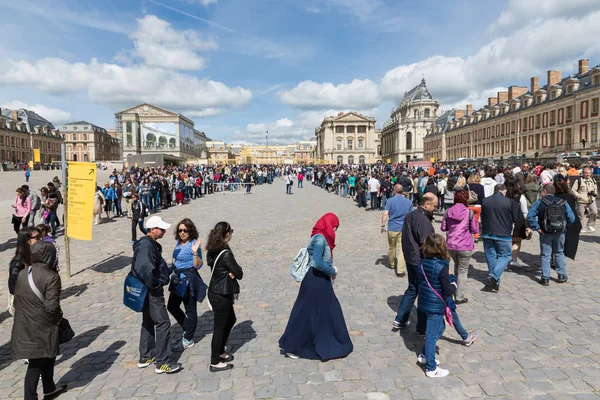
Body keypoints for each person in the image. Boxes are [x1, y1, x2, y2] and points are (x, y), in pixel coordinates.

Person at [279, 213, 353, 361]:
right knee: (306, 313)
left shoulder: (320, 236)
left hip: (319, 281)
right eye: (334, 227)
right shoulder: (320, 239)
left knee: (325, 311)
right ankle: (292, 346)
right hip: (315, 281)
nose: (335, 231)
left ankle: (322, 339)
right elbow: (317, 263)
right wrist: (333, 271)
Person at [11, 240, 67, 400]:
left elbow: (17, 300)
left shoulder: (23, 273)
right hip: (43, 325)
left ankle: (49, 388)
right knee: (36, 364)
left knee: (49, 355)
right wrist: (59, 320)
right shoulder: (51, 277)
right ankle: (30, 397)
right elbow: (52, 308)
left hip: (25, 322)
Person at [131, 216, 182, 374]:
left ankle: (146, 355)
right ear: (152, 230)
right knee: (163, 323)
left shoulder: (148, 244)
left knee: (148, 321)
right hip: (151, 291)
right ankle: (163, 361)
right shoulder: (146, 245)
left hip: (147, 290)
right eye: (161, 228)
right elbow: (145, 269)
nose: (164, 231)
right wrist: (156, 284)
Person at [392, 193, 437, 333]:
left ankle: (400, 319)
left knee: (412, 288)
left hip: (411, 258)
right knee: (423, 292)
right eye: (434, 206)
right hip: (420, 260)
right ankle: (421, 327)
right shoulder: (422, 220)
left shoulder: (411, 215)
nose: (436, 208)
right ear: (427, 204)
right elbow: (426, 244)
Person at [415, 233, 456, 378]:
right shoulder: (442, 267)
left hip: (425, 302)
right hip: (435, 305)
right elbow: (448, 289)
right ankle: (431, 368)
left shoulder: (422, 263)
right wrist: (453, 281)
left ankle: (425, 354)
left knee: (441, 327)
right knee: (432, 335)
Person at [205, 222, 243, 372]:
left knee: (231, 319)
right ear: (227, 234)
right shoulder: (225, 253)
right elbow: (239, 273)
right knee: (219, 327)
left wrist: (230, 272)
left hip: (218, 291)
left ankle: (220, 351)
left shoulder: (213, 248)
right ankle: (215, 361)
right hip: (221, 293)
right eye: (231, 231)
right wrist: (234, 272)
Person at [527, 184, 575, 286]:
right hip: (560, 232)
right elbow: (572, 218)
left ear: (544, 191)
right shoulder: (563, 203)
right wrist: (564, 226)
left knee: (545, 255)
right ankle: (561, 275)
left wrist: (537, 228)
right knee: (559, 252)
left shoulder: (540, 202)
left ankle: (545, 278)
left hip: (545, 232)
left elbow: (530, 216)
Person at [167, 219, 204, 350]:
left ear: (190, 231)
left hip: (188, 281)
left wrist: (195, 252)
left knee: (190, 310)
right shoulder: (179, 243)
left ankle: (188, 338)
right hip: (177, 280)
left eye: (185, 230)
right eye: (180, 230)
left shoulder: (194, 244)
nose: (182, 233)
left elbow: (198, 265)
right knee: (171, 306)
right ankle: (187, 327)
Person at [440, 190, 478, 304]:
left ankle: (455, 289)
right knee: (462, 271)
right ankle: (459, 296)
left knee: (457, 266)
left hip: (451, 245)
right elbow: (475, 229)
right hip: (465, 245)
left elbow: (443, 228)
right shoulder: (469, 212)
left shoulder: (448, 211)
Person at [480, 184, 519, 292]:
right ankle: (493, 276)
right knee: (505, 255)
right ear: (504, 191)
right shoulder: (510, 202)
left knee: (491, 256)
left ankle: (494, 282)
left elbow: (482, 216)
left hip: (487, 232)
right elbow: (515, 218)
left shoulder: (485, 201)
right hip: (503, 233)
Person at [381, 184, 414, 277]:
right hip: (404, 228)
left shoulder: (390, 201)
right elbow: (411, 215)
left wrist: (382, 225)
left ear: (394, 191)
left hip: (392, 227)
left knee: (392, 247)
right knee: (401, 249)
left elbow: (385, 214)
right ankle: (400, 270)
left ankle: (391, 264)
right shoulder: (408, 202)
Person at [554, 176, 581, 261]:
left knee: (557, 242)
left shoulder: (553, 197)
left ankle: (556, 259)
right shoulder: (570, 197)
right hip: (571, 221)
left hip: (557, 222)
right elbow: (573, 211)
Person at [570, 167, 597, 233]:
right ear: (583, 173)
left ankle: (590, 225)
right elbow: (573, 190)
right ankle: (581, 227)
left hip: (591, 200)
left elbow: (595, 188)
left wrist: (594, 193)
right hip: (581, 200)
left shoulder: (593, 180)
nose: (588, 175)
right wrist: (579, 196)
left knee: (594, 212)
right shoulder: (578, 180)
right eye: (586, 173)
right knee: (581, 215)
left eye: (589, 173)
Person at [466, 173, 485, 243]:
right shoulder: (481, 187)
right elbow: (483, 197)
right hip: (478, 206)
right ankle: (476, 237)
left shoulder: (467, 186)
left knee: (468, 222)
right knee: (476, 222)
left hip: (469, 206)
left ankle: (468, 235)